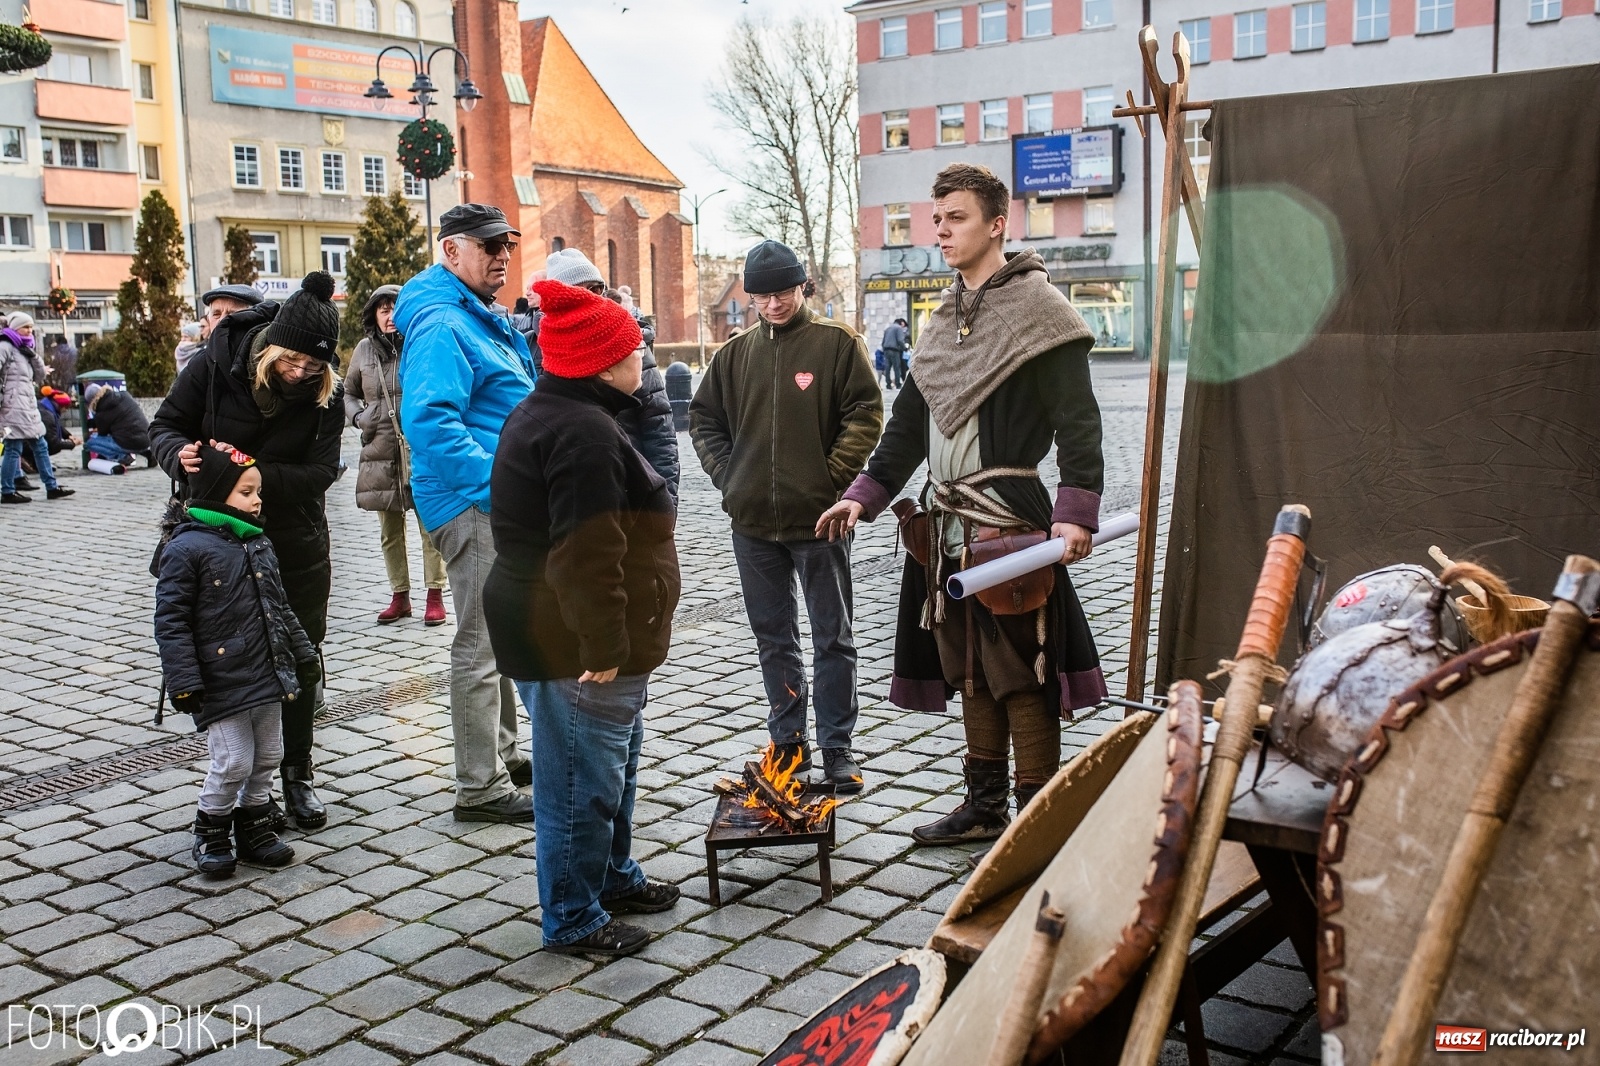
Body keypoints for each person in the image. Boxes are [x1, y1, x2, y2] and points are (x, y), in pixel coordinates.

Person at [817, 163, 1106, 845]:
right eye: (937, 218)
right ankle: (984, 807)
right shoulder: (945, 318)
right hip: (944, 524)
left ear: (997, 223)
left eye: (957, 218)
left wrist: (1076, 510)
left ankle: (1039, 818)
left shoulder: (1043, 311)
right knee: (970, 665)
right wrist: (863, 497)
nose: (941, 231)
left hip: (1009, 516)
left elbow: (1080, 421)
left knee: (1021, 667)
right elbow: (908, 426)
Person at [485, 278, 682, 957]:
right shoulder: (580, 431)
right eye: (634, 348)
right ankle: (572, 913)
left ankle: (611, 877)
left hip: (580, 634)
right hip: (571, 641)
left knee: (611, 767)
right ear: (601, 362)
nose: (644, 356)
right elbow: (586, 553)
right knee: (580, 782)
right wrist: (602, 643)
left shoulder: (567, 415)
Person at [150, 272, 345, 831]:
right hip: (215, 540)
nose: (301, 375)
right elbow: (164, 426)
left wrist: (252, 474)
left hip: (294, 540)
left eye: (313, 369)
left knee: (302, 660)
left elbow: (321, 472)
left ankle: (297, 773)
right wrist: (179, 455)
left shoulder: (323, 394)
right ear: (271, 349)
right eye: (293, 364)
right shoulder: (214, 364)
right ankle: (243, 785)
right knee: (234, 656)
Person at [688, 240, 883, 792]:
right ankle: (788, 741)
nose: (773, 304)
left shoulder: (837, 344)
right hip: (752, 524)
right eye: (762, 295)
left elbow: (866, 413)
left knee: (832, 638)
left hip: (821, 522)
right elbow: (703, 420)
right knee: (773, 637)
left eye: (782, 292)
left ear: (804, 288)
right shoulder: (734, 354)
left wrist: (831, 478)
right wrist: (731, 476)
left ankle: (838, 749)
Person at [395, 203, 536, 823]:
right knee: (480, 642)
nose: (501, 257)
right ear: (451, 251)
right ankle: (479, 785)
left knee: (499, 634)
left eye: (506, 246)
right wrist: (496, 485)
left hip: (490, 498)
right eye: (488, 247)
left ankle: (499, 753)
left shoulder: (473, 315)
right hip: (473, 502)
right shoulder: (443, 324)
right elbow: (429, 422)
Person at [154, 444, 316, 877]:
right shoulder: (187, 548)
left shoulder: (257, 541)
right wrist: (183, 679)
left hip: (267, 671)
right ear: (215, 491)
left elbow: (279, 607)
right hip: (220, 678)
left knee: (269, 755)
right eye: (246, 492)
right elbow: (171, 620)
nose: (257, 500)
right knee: (234, 761)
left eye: (257, 491)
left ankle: (254, 824)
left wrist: (303, 653)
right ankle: (210, 829)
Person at [344, 284, 448, 626]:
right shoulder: (363, 351)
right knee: (390, 529)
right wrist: (360, 417)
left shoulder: (420, 343)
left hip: (419, 446)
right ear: (374, 314)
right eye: (383, 309)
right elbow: (348, 392)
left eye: (395, 308)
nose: (390, 316)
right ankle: (399, 596)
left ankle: (434, 595)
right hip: (380, 449)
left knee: (429, 526)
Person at [544, 250, 679, 499]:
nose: (591, 297)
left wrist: (666, 498)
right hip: (570, 491)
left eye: (596, 288)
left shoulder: (630, 345)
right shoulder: (542, 349)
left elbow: (659, 429)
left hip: (633, 485)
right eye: (578, 290)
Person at [1, 312, 73, 503]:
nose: (29, 330)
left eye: (31, 327)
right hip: (12, 407)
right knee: (13, 447)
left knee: (41, 446)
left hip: (29, 407)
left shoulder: (25, 350)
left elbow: (40, 375)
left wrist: (33, 356)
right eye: (25, 327)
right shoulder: (5, 347)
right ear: (15, 328)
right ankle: (7, 491)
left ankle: (52, 487)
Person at [84, 383, 154, 467]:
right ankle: (148, 453)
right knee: (129, 437)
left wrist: (95, 424)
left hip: (128, 442)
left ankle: (123, 457)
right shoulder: (124, 395)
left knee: (89, 444)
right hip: (146, 439)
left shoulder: (102, 409)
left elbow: (102, 433)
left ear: (91, 401)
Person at [199, 284, 264, 342]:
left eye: (232, 314)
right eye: (216, 314)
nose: (222, 319)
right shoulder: (199, 354)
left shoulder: (268, 353)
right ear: (208, 320)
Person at [881, 317, 910, 389]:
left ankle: (888, 384)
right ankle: (898, 384)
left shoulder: (887, 329)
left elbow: (883, 341)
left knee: (887, 368)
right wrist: (905, 348)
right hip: (894, 350)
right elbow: (900, 340)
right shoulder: (898, 328)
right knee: (896, 368)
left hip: (886, 350)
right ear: (900, 323)